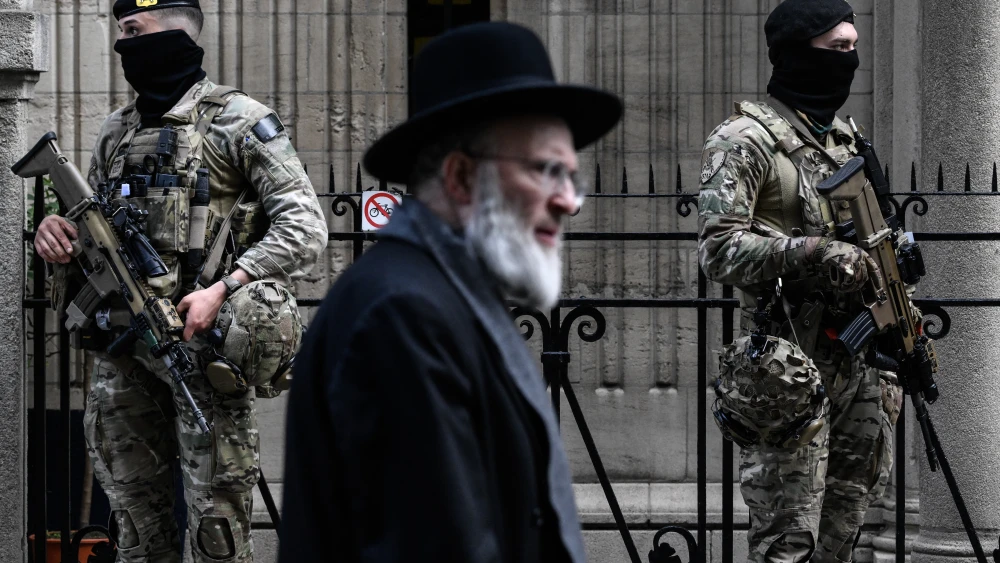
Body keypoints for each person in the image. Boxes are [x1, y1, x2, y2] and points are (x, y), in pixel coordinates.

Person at [279, 22, 622, 563]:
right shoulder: (403, 315)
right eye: (547, 170)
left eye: (571, 177)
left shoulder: (448, 294)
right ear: (462, 177)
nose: (568, 201)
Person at [32, 1, 328, 561]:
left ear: (175, 32)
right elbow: (93, 226)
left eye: (132, 31)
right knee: (138, 534)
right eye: (122, 32)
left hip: (204, 354)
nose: (123, 45)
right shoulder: (117, 130)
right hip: (123, 355)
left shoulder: (238, 119)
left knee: (217, 534)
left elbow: (306, 226)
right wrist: (58, 230)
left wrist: (225, 285)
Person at [697, 0, 904, 561]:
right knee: (788, 538)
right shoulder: (744, 139)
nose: (851, 60)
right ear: (794, 52)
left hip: (858, 361)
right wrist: (813, 250)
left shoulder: (846, 140)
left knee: (846, 527)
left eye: (854, 47)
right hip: (785, 365)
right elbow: (718, 251)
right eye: (837, 48)